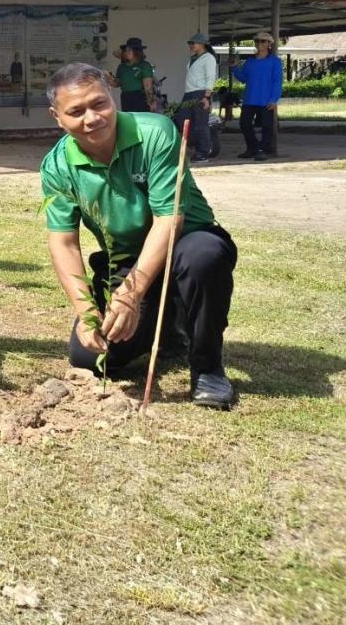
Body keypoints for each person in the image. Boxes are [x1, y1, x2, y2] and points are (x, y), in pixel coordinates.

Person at [40, 62, 238, 409]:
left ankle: (208, 367)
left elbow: (168, 220)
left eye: (99, 103)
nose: (92, 118)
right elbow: (64, 241)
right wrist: (87, 311)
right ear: (57, 117)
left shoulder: (157, 132)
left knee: (203, 255)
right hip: (127, 260)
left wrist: (129, 296)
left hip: (184, 243)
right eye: (76, 111)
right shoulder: (56, 166)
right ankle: (168, 328)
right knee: (88, 358)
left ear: (112, 98)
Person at [232, 31, 283, 161]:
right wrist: (235, 68)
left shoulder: (275, 62)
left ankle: (263, 150)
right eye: (257, 41)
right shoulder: (250, 61)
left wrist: (274, 99)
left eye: (262, 41)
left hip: (266, 100)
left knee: (267, 127)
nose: (259, 44)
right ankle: (252, 148)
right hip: (250, 99)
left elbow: (277, 81)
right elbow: (243, 78)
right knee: (244, 124)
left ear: (269, 44)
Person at [175, 33, 217, 162]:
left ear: (203, 44)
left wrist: (207, 97)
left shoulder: (208, 58)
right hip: (189, 93)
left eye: (194, 43)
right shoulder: (193, 58)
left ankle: (203, 151)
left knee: (200, 122)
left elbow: (211, 77)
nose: (191, 46)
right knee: (181, 119)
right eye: (190, 43)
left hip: (200, 93)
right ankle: (196, 143)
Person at [106, 38, 155, 112]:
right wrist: (108, 78)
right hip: (125, 97)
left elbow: (148, 86)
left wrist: (151, 102)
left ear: (136, 52)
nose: (126, 52)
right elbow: (117, 83)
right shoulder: (122, 67)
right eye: (126, 50)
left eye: (129, 50)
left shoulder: (144, 65)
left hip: (140, 97)